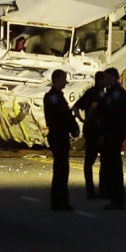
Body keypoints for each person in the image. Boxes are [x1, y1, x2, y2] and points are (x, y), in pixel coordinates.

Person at [44, 69, 79, 211]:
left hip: (58, 135)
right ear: (57, 80)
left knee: (61, 168)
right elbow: (62, 116)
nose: (66, 82)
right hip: (59, 135)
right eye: (64, 79)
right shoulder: (54, 97)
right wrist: (73, 127)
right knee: (61, 169)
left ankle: (58, 200)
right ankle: (60, 201)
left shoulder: (55, 96)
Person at [97, 68, 126, 210]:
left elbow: (114, 116)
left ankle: (117, 198)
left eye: (107, 77)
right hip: (109, 134)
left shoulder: (117, 94)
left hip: (114, 134)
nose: (105, 80)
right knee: (110, 166)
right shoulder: (110, 93)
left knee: (115, 167)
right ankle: (112, 196)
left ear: (114, 77)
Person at [71, 70, 106, 199]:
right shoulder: (100, 94)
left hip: (90, 130)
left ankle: (90, 190)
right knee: (103, 161)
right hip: (98, 130)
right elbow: (93, 108)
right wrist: (88, 119)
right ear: (100, 80)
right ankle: (102, 189)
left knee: (89, 161)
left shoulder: (89, 92)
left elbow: (75, 107)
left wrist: (82, 120)